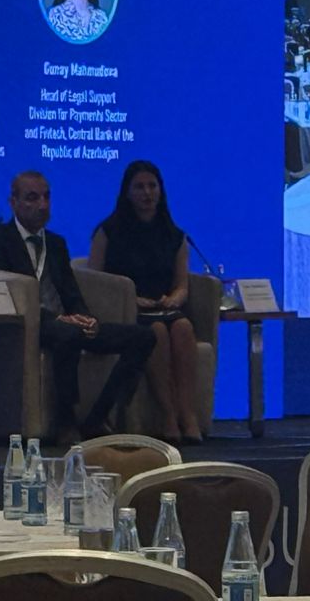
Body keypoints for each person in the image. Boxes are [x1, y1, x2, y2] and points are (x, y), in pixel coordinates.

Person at [0, 170, 153, 444]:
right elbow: (3, 296)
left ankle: (99, 416)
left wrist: (86, 317)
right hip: (28, 326)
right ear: (13, 203)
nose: (42, 205)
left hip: (67, 323)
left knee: (143, 336)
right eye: (32, 198)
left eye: (46, 197)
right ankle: (66, 420)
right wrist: (59, 320)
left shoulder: (56, 244)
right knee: (67, 334)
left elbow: (71, 292)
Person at [88, 161, 201, 445]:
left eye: (152, 186)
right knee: (157, 332)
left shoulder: (174, 236)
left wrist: (173, 299)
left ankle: (188, 414)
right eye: (139, 187)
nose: (147, 193)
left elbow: (182, 285)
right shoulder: (108, 231)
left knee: (184, 328)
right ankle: (167, 414)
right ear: (127, 192)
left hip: (164, 307)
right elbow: (94, 281)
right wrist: (132, 299)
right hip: (127, 311)